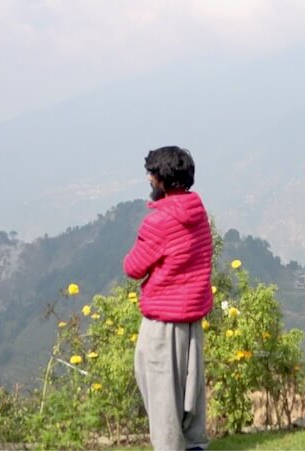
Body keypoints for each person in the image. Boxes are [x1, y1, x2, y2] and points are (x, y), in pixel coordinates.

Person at [124, 146, 213, 450]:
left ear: (160, 180)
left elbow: (134, 268)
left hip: (163, 322)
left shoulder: (159, 222)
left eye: (151, 174)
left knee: (161, 397)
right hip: (192, 319)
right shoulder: (198, 214)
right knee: (191, 395)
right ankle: (194, 446)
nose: (149, 180)